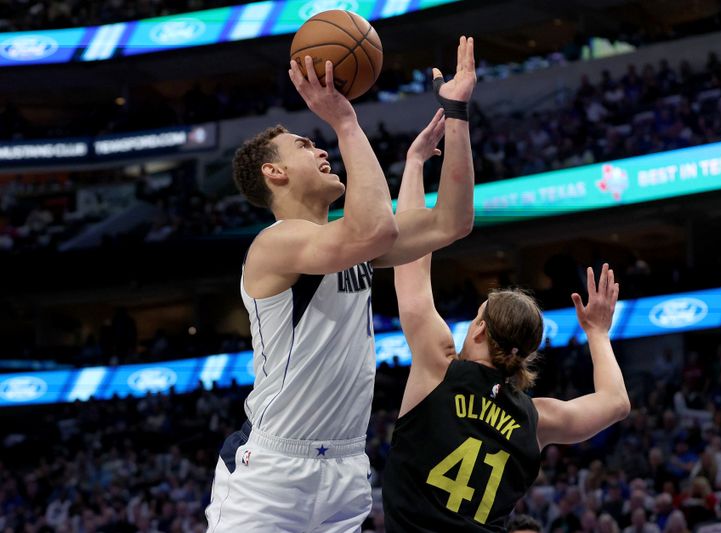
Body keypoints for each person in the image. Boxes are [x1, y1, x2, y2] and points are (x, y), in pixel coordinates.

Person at [205, 37, 477, 532]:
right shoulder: (275, 244)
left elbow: (452, 222)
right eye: (304, 146)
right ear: (275, 172)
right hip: (271, 475)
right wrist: (345, 120)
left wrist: (456, 114)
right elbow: (374, 229)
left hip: (347, 470)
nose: (322, 150)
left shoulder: (347, 244)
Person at [381, 135, 630, 530]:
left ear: (479, 329)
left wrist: (413, 165)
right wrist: (598, 332)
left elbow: (411, 261)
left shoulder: (438, 369)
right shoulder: (537, 418)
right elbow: (616, 403)